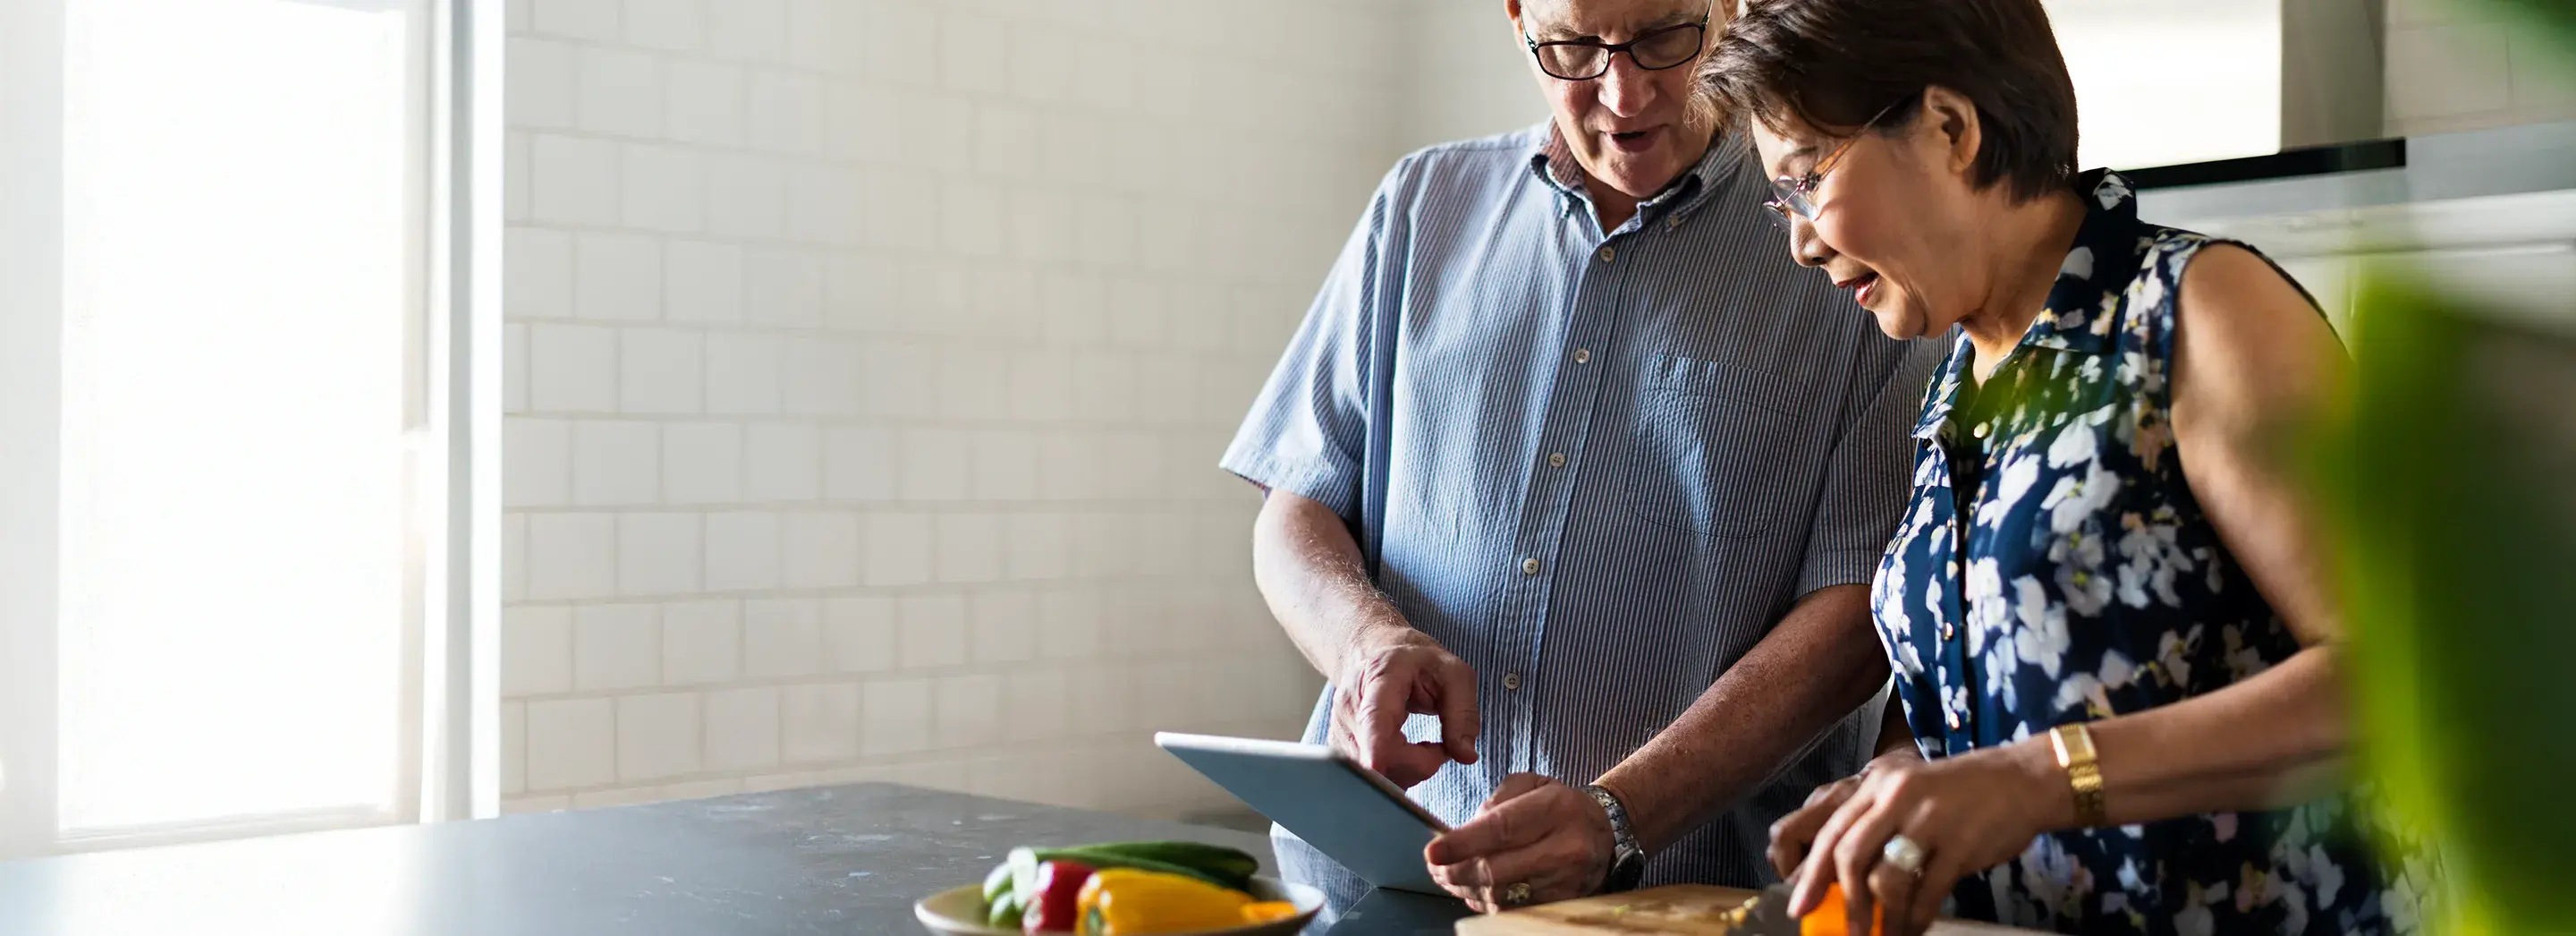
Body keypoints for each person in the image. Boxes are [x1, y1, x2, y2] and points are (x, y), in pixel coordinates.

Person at [1697, 1, 2444, 934]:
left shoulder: (2197, 311)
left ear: (1948, 127)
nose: (1801, 240)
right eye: (1783, 202)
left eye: (1808, 179)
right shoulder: (1958, 385)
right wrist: (1900, 777)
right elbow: (1984, 686)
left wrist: (2039, 776)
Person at [1219, 0, 1943, 919]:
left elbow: (1856, 618)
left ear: (1731, 9)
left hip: (1680, 902)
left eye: (1664, 38)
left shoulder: (1844, 246)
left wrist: (1621, 814)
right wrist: (1367, 643)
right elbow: (1297, 507)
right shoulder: (1420, 204)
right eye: (1572, 48)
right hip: (1376, 881)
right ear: (1518, 18)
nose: (1622, 90)